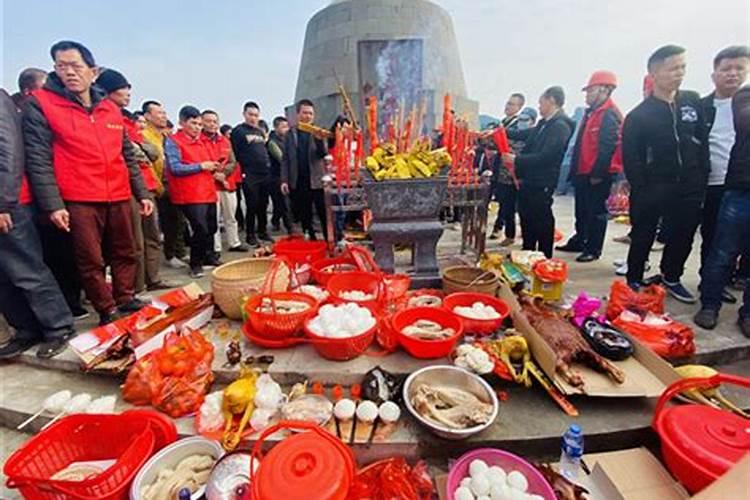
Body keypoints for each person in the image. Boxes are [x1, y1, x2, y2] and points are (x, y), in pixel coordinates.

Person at [23, 40, 153, 325]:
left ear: (93, 71)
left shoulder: (109, 108)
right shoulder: (42, 104)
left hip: (118, 193)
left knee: (126, 251)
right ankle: (106, 308)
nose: (68, 72)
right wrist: (54, 205)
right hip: (79, 197)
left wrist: (141, 192)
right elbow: (37, 159)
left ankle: (125, 297)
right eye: (61, 66)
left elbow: (126, 154)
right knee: (90, 259)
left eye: (75, 66)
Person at [622, 45, 709, 302]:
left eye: (682, 67)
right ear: (654, 73)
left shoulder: (692, 101)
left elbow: (702, 141)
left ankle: (671, 277)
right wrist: (642, 188)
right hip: (653, 186)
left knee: (682, 235)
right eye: (673, 68)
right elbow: (632, 158)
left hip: (690, 185)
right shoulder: (639, 115)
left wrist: (701, 176)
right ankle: (634, 278)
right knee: (643, 234)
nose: (679, 73)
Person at [0, 88, 75, 359]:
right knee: (4, 278)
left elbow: (9, 153)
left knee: (26, 269)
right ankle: (26, 329)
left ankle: (58, 327)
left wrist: (4, 203)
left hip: (9, 204)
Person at [96, 69, 174, 293]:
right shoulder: (111, 120)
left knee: (151, 237)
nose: (128, 94)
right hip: (126, 188)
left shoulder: (127, 124)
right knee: (133, 242)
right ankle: (135, 287)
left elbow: (150, 153)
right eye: (123, 89)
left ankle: (153, 278)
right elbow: (136, 153)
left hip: (146, 186)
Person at [694, 84, 750, 337]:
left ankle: (748, 314)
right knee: (723, 251)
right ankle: (710, 304)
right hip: (741, 188)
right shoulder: (745, 97)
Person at [699, 46, 750, 304]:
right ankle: (708, 284)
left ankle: (727, 281)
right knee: (713, 238)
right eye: (726, 68)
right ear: (714, 74)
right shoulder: (702, 107)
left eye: (739, 68)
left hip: (737, 182)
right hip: (710, 181)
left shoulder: (745, 100)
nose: (732, 74)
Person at [557, 71, 623, 262]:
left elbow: (607, 147)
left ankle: (593, 249)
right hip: (583, 172)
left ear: (605, 90)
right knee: (582, 210)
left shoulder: (609, 114)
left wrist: (598, 173)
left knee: (596, 213)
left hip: (598, 174)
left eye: (590, 91)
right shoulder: (591, 113)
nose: (587, 95)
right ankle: (580, 240)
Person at [503, 86, 575, 258]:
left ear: (551, 101)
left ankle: (544, 256)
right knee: (526, 216)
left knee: (542, 219)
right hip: (529, 179)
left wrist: (516, 160)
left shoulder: (560, 126)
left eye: (541, 102)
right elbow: (522, 135)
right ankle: (528, 251)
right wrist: (499, 133)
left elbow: (547, 156)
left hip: (542, 181)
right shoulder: (544, 123)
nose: (539, 106)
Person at [164, 105, 220, 278]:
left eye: (199, 124)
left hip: (207, 191)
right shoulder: (174, 141)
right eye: (193, 123)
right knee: (200, 228)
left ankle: (206, 258)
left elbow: (209, 162)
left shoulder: (202, 141)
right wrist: (201, 166)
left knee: (211, 227)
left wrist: (213, 167)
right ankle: (195, 264)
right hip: (189, 194)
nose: (197, 127)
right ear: (182, 122)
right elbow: (174, 167)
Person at [142, 99, 188, 269]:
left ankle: (174, 253)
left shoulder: (165, 137)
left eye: (164, 113)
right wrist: (159, 187)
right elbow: (147, 164)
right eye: (159, 113)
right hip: (154, 187)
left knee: (175, 221)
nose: (163, 116)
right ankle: (162, 260)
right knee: (157, 226)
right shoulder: (144, 136)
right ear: (147, 116)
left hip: (171, 184)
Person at [281, 99, 329, 241]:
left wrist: (320, 140)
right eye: (305, 113)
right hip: (298, 180)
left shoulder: (318, 131)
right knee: (304, 212)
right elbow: (285, 159)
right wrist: (284, 180)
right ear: (298, 114)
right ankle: (310, 238)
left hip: (317, 180)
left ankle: (329, 239)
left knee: (323, 213)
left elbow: (323, 154)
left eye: (310, 113)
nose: (307, 116)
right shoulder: (291, 134)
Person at [231, 101, 274, 247]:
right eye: (250, 114)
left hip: (265, 173)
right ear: (244, 114)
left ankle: (262, 231)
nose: (253, 118)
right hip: (249, 174)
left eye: (256, 115)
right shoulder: (238, 131)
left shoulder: (260, 132)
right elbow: (234, 153)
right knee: (252, 205)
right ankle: (250, 234)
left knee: (263, 204)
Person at [202, 110, 245, 254]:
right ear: (202, 122)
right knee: (213, 219)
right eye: (208, 121)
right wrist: (215, 174)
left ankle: (234, 242)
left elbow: (233, 162)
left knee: (231, 216)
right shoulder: (199, 141)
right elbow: (200, 161)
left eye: (215, 121)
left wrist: (223, 174)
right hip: (210, 186)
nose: (212, 124)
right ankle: (216, 247)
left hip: (227, 184)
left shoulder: (225, 141)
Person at [490, 93, 529, 245]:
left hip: (511, 171)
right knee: (504, 203)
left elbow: (520, 146)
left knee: (511, 205)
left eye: (512, 104)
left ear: (519, 107)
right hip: (500, 169)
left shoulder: (520, 124)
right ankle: (506, 231)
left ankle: (511, 235)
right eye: (508, 103)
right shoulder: (503, 123)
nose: (508, 106)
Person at [268, 116, 293, 234]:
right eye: (283, 127)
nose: (286, 129)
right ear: (276, 128)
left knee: (281, 203)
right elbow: (281, 158)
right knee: (283, 202)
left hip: (287, 175)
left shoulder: (288, 140)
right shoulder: (272, 142)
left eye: (287, 126)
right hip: (276, 177)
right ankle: (290, 228)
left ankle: (275, 220)